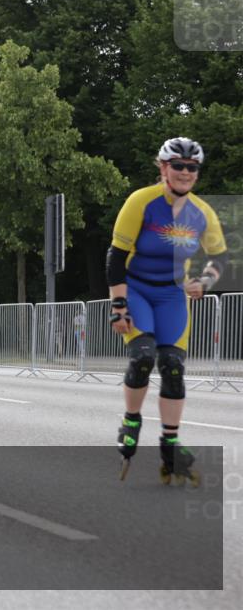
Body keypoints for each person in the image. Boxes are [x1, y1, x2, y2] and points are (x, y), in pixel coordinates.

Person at [108, 137, 226, 485]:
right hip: (138, 290)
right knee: (143, 356)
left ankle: (170, 444)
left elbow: (218, 258)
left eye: (192, 168)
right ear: (163, 168)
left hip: (173, 295)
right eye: (178, 166)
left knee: (173, 367)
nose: (186, 172)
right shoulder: (141, 202)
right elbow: (115, 257)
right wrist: (119, 306)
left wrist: (204, 281)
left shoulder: (202, 213)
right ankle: (131, 421)